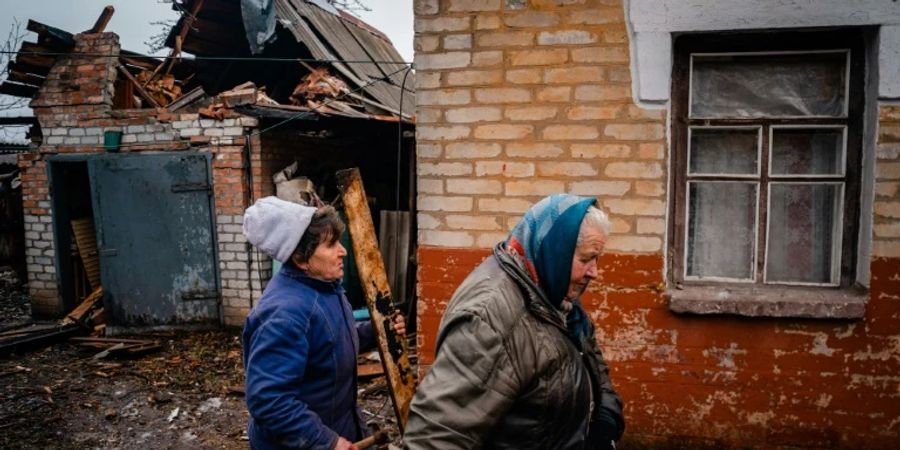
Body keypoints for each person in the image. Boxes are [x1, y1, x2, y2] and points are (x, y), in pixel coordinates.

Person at [403, 194, 625, 450]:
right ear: (554, 251)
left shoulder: (557, 295)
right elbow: (435, 438)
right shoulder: (489, 320)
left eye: (597, 258)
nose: (594, 272)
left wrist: (605, 421)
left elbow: (591, 363)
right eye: (586, 259)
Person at [241, 196, 404, 450]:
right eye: (331, 245)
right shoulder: (284, 314)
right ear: (301, 258)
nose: (343, 251)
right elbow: (269, 400)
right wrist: (326, 442)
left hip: (338, 423)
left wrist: (377, 332)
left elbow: (329, 344)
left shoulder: (324, 288)